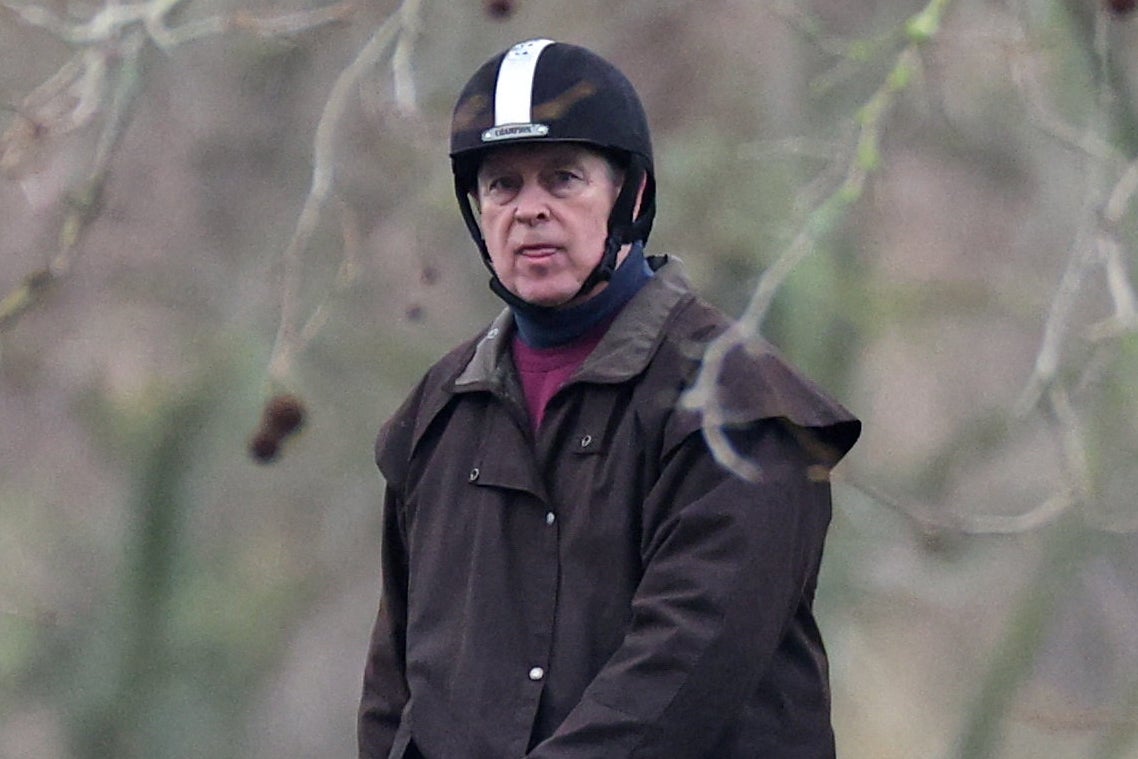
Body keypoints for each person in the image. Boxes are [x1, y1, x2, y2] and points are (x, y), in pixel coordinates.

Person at [358, 38, 861, 759]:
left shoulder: (740, 406)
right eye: (503, 185)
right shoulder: (438, 413)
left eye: (562, 179)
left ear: (632, 194)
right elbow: (395, 685)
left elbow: (685, 670)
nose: (529, 210)